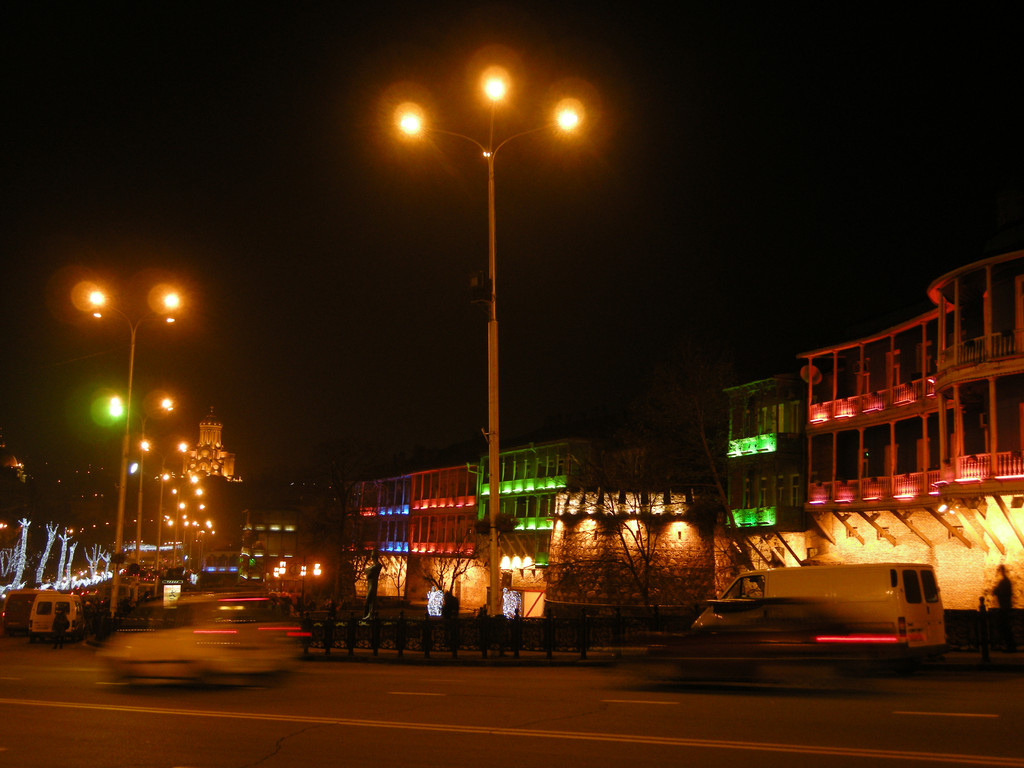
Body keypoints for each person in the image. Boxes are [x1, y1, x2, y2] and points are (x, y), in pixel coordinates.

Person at [992, 565, 1017, 653]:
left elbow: (998, 592)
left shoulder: (1004, 582)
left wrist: (995, 589)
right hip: (1005, 607)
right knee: (1006, 627)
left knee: (1005, 627)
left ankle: (1010, 646)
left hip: (1004, 608)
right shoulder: (1006, 581)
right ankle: (1010, 646)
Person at [362, 551, 382, 620]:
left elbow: (367, 571)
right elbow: (365, 571)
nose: (372, 558)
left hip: (373, 585)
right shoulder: (373, 566)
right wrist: (369, 570)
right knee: (371, 600)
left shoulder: (378, 565)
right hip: (370, 585)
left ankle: (369, 614)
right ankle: (370, 614)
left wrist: (369, 570)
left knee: (369, 599)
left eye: (373, 556)